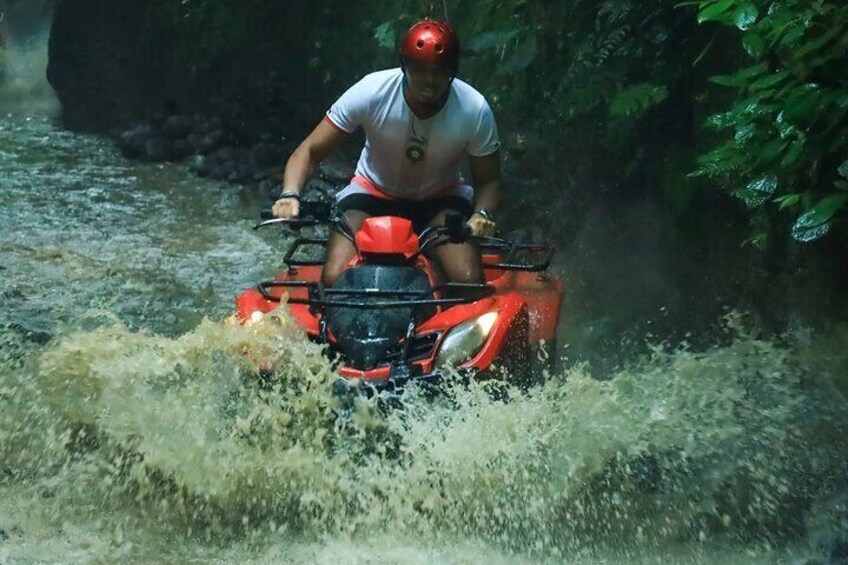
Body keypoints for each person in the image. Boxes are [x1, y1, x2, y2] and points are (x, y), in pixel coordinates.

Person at [272, 18, 502, 287]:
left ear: (452, 71)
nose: (429, 81)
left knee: (468, 281)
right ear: (405, 67)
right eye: (420, 70)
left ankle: (428, 284)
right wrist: (290, 194)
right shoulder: (371, 92)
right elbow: (309, 151)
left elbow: (489, 181)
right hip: (371, 194)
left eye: (438, 71)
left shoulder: (474, 109)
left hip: (441, 200)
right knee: (334, 278)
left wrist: (482, 214)